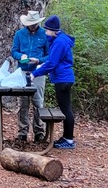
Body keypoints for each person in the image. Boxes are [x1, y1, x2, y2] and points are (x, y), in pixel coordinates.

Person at [31, 15, 76, 149]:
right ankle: (67, 138)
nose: (45, 33)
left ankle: (68, 140)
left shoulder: (60, 42)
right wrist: (39, 61)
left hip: (63, 79)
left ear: (53, 30)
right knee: (65, 108)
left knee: (66, 110)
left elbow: (52, 63)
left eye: (47, 31)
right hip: (64, 78)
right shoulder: (59, 40)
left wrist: (35, 73)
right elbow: (53, 60)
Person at [11, 10, 49, 142]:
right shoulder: (19, 34)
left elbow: (49, 55)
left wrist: (39, 60)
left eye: (34, 24)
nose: (32, 26)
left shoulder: (44, 34)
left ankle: (39, 131)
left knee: (38, 102)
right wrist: (20, 56)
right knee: (23, 103)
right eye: (30, 24)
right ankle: (22, 132)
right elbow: (14, 51)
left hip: (38, 71)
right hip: (22, 71)